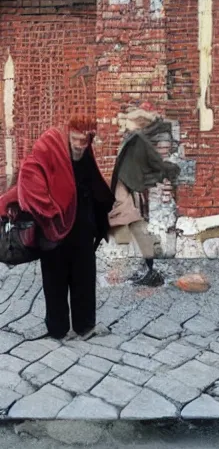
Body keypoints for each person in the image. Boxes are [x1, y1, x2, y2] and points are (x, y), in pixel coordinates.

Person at [0, 117, 114, 339]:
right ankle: (58, 329)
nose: (81, 145)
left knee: (84, 277)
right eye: (77, 140)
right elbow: (28, 177)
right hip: (53, 229)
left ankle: (85, 327)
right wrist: (50, 211)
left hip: (82, 228)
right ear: (68, 133)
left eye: (86, 140)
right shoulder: (50, 142)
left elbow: (92, 182)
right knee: (55, 279)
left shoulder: (85, 151)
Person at [109, 107, 180, 286]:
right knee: (136, 230)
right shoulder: (132, 140)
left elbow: (155, 162)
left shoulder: (138, 140)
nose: (124, 125)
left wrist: (172, 170)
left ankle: (149, 270)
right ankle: (146, 268)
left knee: (138, 230)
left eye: (128, 122)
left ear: (137, 125)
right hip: (126, 191)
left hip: (130, 193)